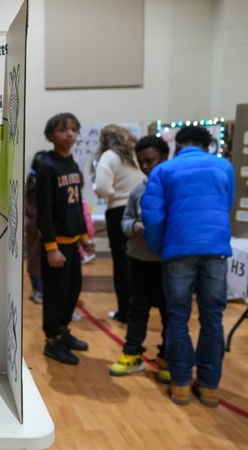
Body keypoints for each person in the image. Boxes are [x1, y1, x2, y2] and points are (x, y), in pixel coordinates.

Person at [142, 126, 234, 407]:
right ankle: (209, 387)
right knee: (213, 319)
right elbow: (226, 204)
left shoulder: (164, 171)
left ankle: (180, 384)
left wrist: (159, 246)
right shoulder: (224, 167)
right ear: (208, 145)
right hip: (216, 249)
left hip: (179, 249)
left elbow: (153, 216)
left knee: (178, 318)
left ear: (178, 144)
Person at [109, 135, 170, 382]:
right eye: (141, 162)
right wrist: (135, 226)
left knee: (169, 311)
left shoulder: (174, 189)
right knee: (137, 308)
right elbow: (124, 221)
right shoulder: (138, 191)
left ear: (165, 158)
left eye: (151, 161)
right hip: (138, 260)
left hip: (167, 262)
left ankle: (167, 356)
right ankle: (132, 353)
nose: (146, 166)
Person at [35, 113, 94, 365]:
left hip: (72, 244)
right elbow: (44, 211)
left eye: (73, 129)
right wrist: (51, 247)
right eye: (63, 130)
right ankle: (52, 342)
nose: (69, 134)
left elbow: (77, 205)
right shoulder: (47, 166)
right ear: (51, 135)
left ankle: (63, 330)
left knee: (72, 291)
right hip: (56, 246)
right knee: (56, 295)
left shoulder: (73, 165)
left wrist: (83, 236)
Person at [93, 125, 145, 323]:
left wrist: (101, 186)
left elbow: (103, 189)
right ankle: (141, 310)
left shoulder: (109, 156)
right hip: (142, 208)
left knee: (121, 264)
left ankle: (124, 312)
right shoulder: (136, 153)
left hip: (118, 210)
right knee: (139, 261)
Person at [25, 150, 48, 304]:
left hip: (31, 225)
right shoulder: (40, 183)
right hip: (39, 225)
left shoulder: (31, 180)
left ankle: (35, 290)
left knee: (33, 260)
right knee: (39, 261)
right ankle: (40, 291)